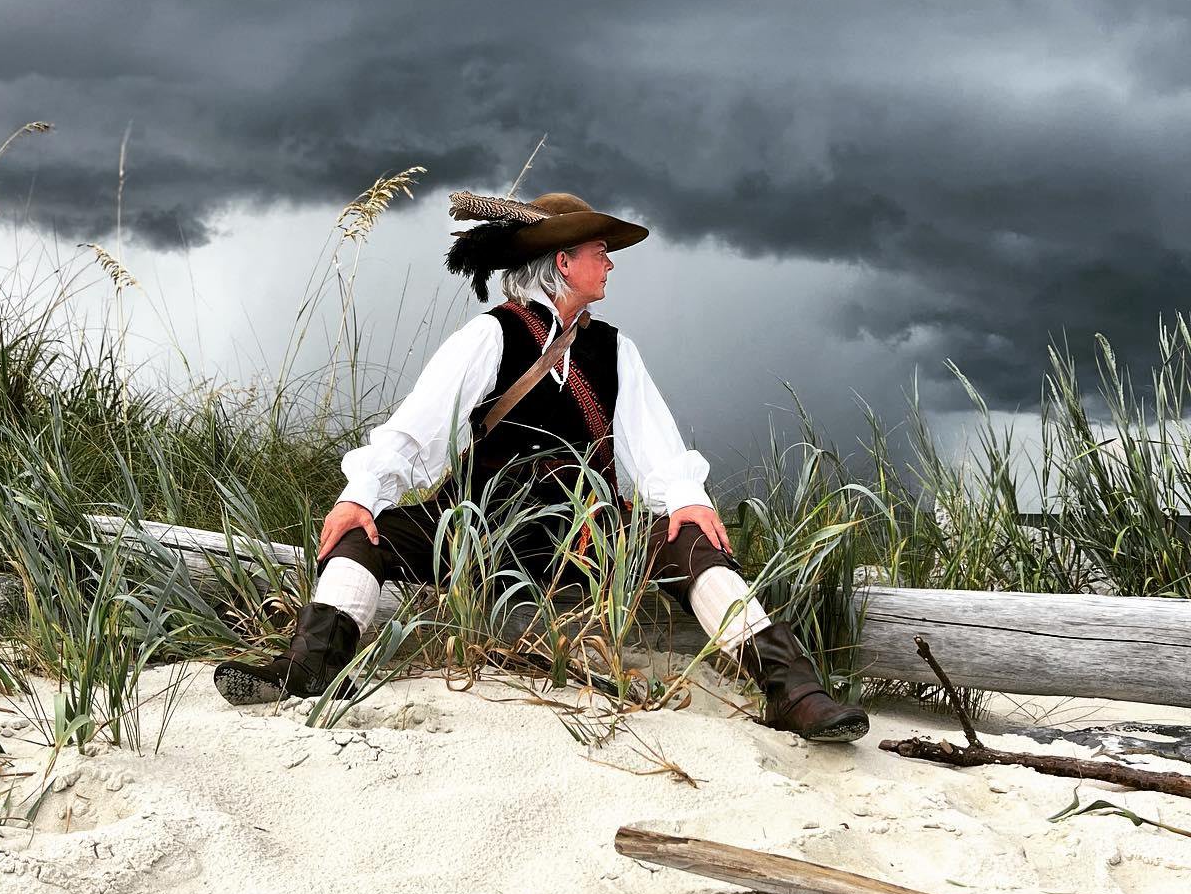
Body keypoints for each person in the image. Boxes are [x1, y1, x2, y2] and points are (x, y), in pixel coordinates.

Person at [216, 190, 868, 742]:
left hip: (589, 544)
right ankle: (309, 668)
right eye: (598, 252)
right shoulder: (488, 337)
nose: (609, 263)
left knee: (689, 540)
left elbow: (655, 449)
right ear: (563, 261)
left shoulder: (616, 350)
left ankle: (794, 692)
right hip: (475, 537)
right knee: (367, 532)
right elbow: (412, 437)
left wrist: (687, 498)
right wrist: (362, 493)